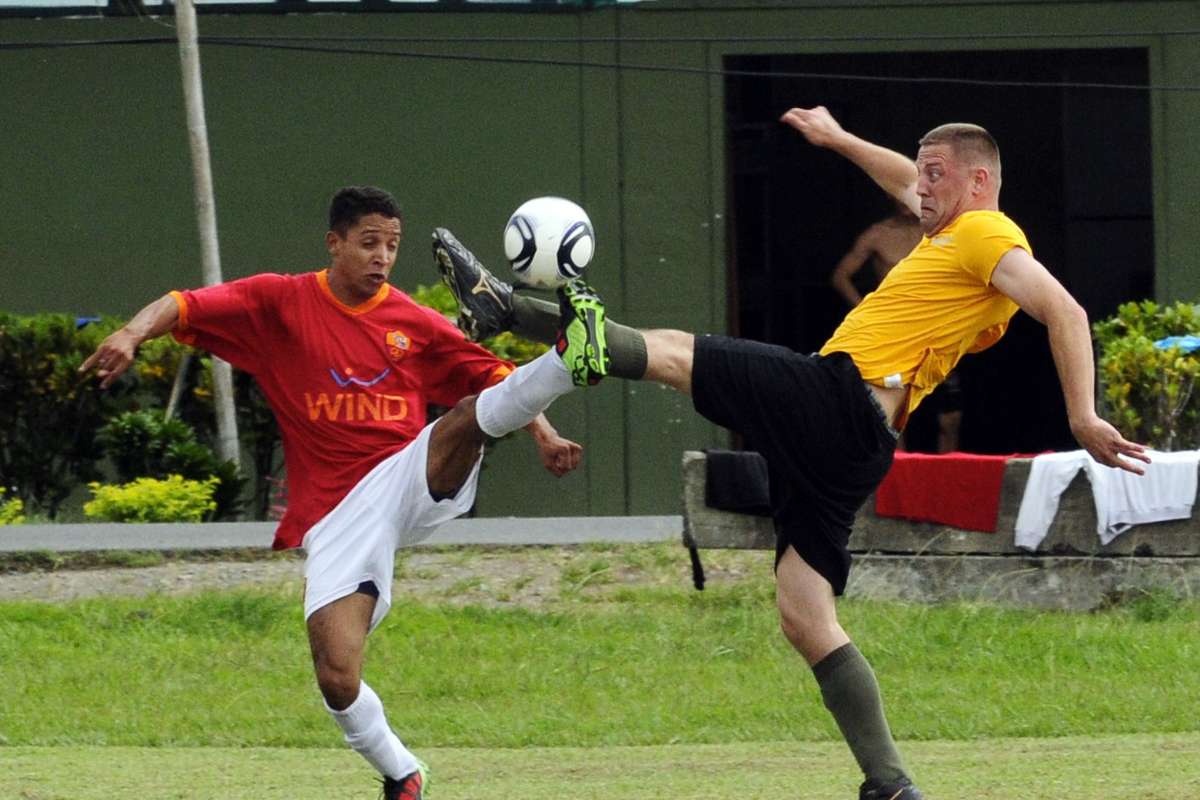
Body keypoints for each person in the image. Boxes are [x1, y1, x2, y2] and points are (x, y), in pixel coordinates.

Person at [433, 107, 1149, 800]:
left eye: (937, 175)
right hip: (857, 445)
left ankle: (519, 311)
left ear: (979, 183)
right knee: (805, 615)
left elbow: (1066, 310)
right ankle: (892, 783)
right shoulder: (948, 234)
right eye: (923, 175)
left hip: (838, 398)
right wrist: (838, 139)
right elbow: (899, 177)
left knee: (679, 352)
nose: (920, 188)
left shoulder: (988, 232)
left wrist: (1082, 415)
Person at [80, 186, 591, 800]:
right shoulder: (280, 302)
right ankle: (404, 773)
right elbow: (183, 304)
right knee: (337, 676)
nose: (382, 257)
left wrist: (545, 431)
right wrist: (131, 335)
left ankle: (571, 352)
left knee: (465, 416)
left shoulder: (410, 321)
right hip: (338, 516)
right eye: (370, 242)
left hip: (403, 474)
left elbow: (490, 374)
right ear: (335, 243)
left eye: (393, 246)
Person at [828, 200, 964, 453]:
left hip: (936, 329)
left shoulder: (939, 231)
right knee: (893, 410)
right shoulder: (878, 234)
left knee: (949, 417)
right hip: (896, 331)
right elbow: (841, 276)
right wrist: (864, 309)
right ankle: (898, 477)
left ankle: (948, 475)